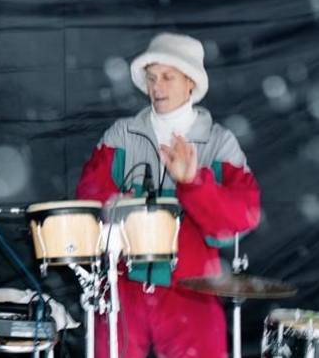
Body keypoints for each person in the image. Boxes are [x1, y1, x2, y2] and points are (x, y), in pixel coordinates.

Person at [75, 32, 261, 358]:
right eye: (151, 77)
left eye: (167, 77)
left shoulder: (220, 143)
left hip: (192, 287)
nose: (156, 86)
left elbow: (244, 215)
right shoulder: (121, 134)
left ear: (191, 82)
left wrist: (194, 184)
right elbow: (88, 192)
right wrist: (113, 203)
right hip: (122, 283)